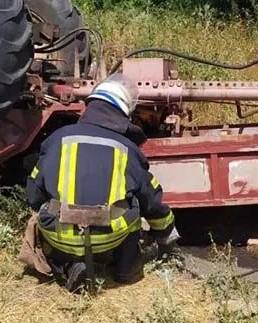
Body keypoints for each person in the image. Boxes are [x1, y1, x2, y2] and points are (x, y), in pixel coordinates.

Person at [25, 73, 181, 292]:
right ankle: (127, 268)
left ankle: (66, 264)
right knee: (135, 203)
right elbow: (152, 202)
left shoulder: (58, 138)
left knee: (46, 210)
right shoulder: (128, 150)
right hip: (109, 237)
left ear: (90, 106)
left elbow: (33, 194)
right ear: (124, 111)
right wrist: (167, 239)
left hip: (59, 235)